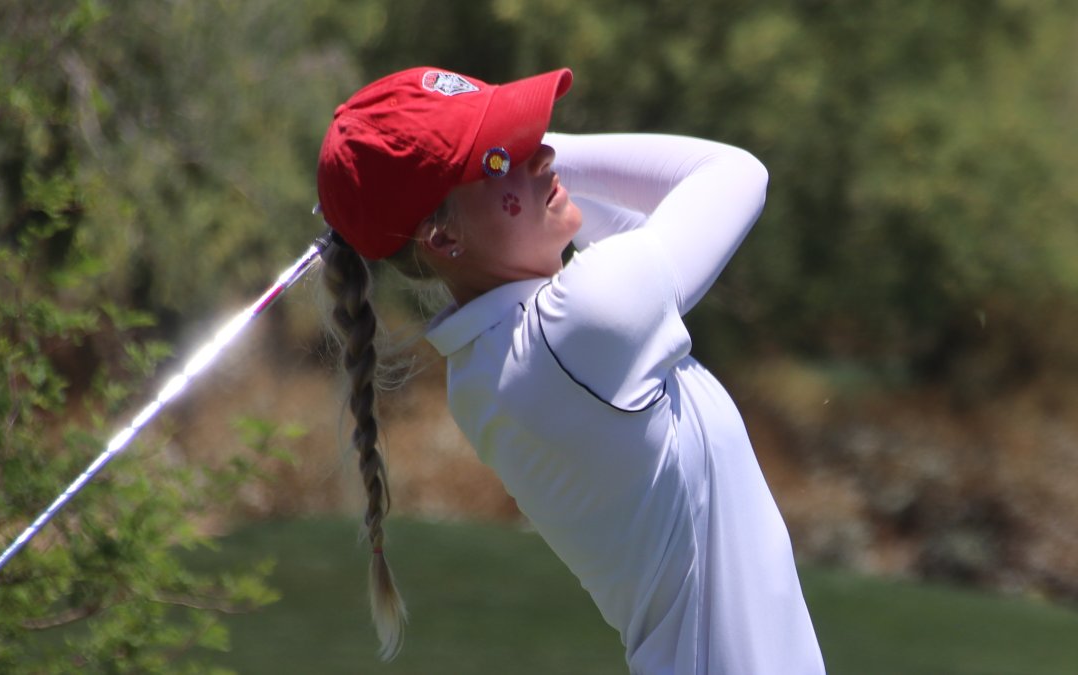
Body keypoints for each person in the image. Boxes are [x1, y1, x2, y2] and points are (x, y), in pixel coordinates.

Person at [314, 66, 825, 674]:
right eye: (501, 156)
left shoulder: (488, 364)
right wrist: (561, 158)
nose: (545, 152)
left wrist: (516, 161)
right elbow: (735, 174)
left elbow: (642, 230)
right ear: (443, 237)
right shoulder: (578, 327)